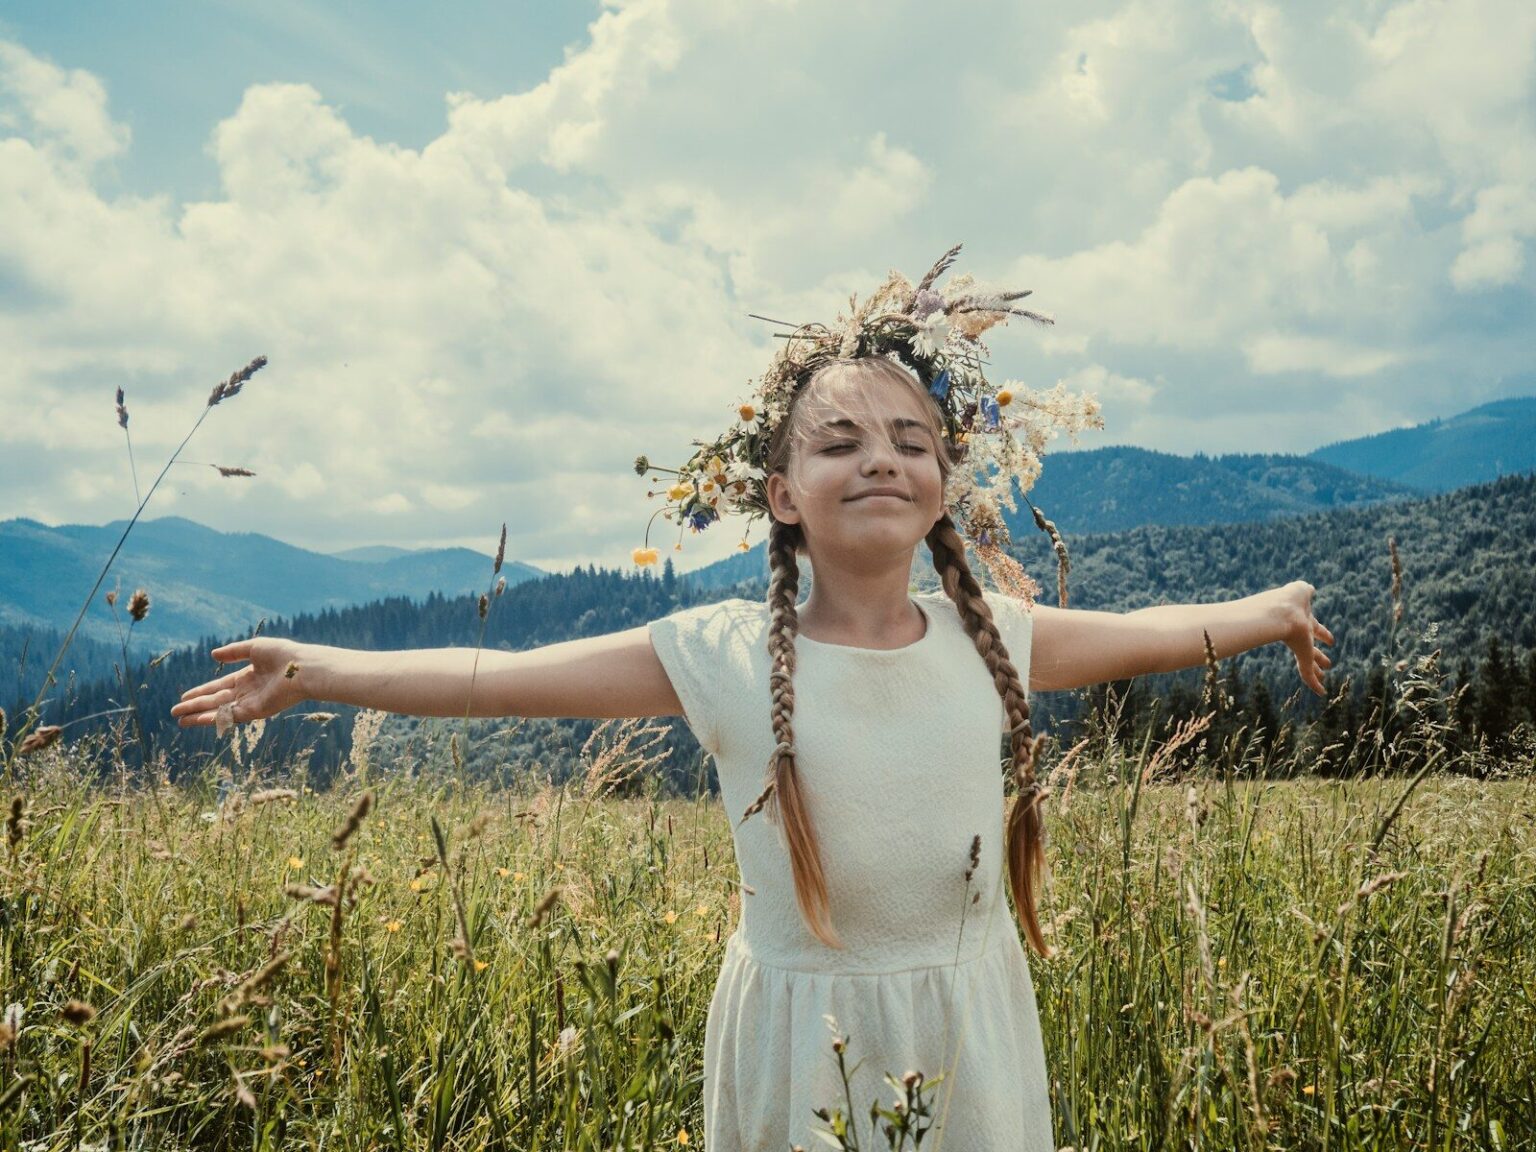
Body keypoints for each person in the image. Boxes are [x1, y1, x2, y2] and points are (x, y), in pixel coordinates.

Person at [170, 248, 1334, 1151]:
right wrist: (320, 673)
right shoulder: (722, 653)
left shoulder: (1002, 640)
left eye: (909, 440)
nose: (879, 458)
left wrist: (1275, 608)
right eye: (839, 443)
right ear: (782, 492)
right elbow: (501, 681)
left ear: (944, 484)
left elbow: (1154, 638)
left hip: (970, 1025)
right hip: (802, 1030)